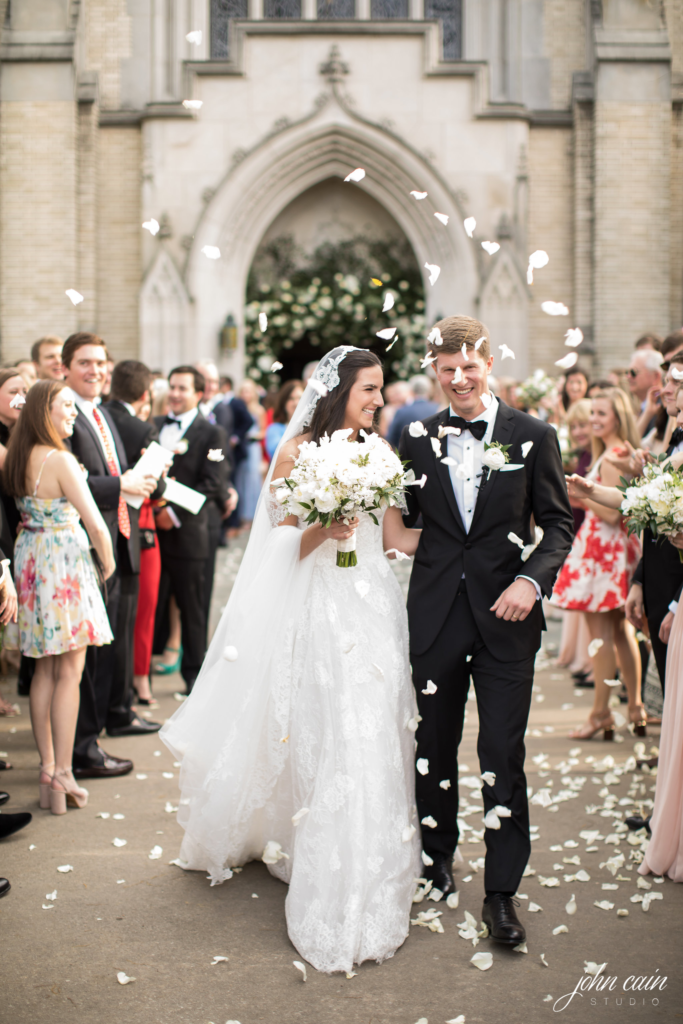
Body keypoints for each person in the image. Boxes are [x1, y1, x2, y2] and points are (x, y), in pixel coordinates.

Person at [161, 347, 422, 974]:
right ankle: (318, 845)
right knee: (326, 728)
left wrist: (479, 537)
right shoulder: (299, 451)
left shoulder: (381, 454)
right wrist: (324, 530)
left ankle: (370, 853)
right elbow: (277, 539)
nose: (377, 401)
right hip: (319, 607)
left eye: (380, 391)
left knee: (371, 729)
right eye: (368, 390)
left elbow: (394, 540)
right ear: (337, 391)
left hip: (373, 610)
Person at [398, 315, 574, 945]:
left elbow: (557, 525)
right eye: (447, 369)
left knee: (502, 752)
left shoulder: (533, 434)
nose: (459, 378)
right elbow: (406, 521)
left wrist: (531, 582)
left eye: (469, 366)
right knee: (433, 748)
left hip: (508, 620)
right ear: (434, 370)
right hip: (437, 617)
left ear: (489, 362)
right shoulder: (414, 436)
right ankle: (436, 861)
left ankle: (501, 893)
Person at [3, 381, 115, 813]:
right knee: (70, 669)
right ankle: (64, 772)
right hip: (64, 562)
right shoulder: (60, 460)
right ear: (43, 411)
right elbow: (97, 525)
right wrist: (106, 563)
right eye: (66, 406)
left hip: (30, 560)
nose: (73, 413)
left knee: (44, 671)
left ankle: (48, 768)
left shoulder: (15, 456)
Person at [62, 333, 159, 781]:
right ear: (65, 369)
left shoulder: (99, 413)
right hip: (84, 547)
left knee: (108, 650)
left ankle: (91, 739)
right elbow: (70, 484)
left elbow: (114, 474)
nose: (95, 370)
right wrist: (123, 486)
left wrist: (138, 482)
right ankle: (81, 748)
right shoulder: (63, 416)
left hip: (119, 542)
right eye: (85, 363)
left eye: (100, 363)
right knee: (90, 658)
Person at [551, 389, 644, 739]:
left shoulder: (611, 456)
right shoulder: (623, 453)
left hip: (602, 553)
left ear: (618, 417)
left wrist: (578, 497)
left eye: (601, 414)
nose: (594, 421)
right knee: (622, 634)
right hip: (616, 553)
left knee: (601, 639)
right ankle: (635, 707)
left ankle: (601, 713)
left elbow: (611, 513)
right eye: (593, 414)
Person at [153, 366, 229, 695]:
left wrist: (172, 512)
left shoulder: (213, 434)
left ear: (199, 394)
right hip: (152, 533)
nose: (175, 393)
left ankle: (195, 681)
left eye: (183, 388)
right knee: (153, 607)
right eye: (172, 386)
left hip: (190, 536)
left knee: (193, 609)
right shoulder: (154, 427)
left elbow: (212, 483)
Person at [105, 360, 167, 708]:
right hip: (137, 527)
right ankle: (131, 691)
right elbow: (154, 488)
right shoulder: (142, 429)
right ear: (145, 393)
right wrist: (161, 477)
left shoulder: (97, 416)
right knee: (139, 611)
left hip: (102, 524)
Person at [625, 353, 683, 690]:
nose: (665, 389)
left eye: (676, 381)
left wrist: (678, 602)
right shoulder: (672, 441)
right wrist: (640, 580)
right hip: (660, 582)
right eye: (667, 379)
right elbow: (655, 519)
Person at [234, 380, 265, 525]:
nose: (245, 394)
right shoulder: (237, 408)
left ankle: (251, 516)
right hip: (241, 447)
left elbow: (263, 431)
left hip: (253, 447)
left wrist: (253, 436)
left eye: (248, 391)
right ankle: (240, 516)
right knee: (240, 479)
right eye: (243, 391)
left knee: (252, 480)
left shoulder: (258, 410)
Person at [387, 375, 439, 449]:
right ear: (430, 390)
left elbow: (391, 439)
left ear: (411, 390)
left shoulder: (402, 411)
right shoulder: (438, 409)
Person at [264, 379, 304, 460]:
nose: (296, 403)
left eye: (300, 398)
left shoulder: (313, 427)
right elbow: (277, 451)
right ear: (284, 402)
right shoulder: (274, 429)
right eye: (291, 398)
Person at [627, 348, 663, 435]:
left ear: (655, 376)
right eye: (627, 372)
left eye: (633, 372)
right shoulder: (644, 406)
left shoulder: (664, 408)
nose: (628, 377)